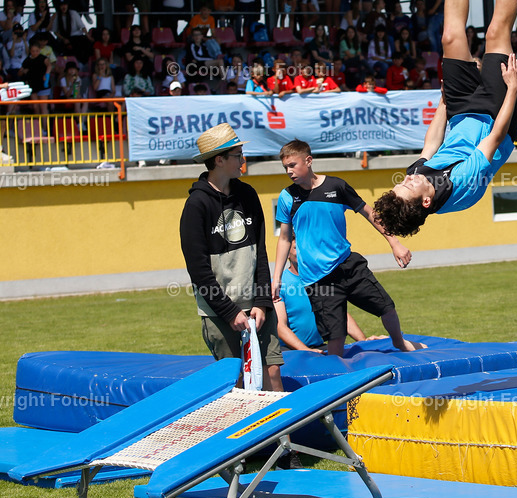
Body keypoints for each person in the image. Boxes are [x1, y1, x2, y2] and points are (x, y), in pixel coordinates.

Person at [372, 0, 517, 237]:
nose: (407, 179)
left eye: (401, 183)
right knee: (496, 34)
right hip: (496, 118)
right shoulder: (461, 186)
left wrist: (444, 104)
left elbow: (431, 143)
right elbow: (494, 138)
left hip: (461, 112)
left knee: (450, 38)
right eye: (408, 186)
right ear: (426, 202)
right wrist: (512, 89)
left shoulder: (417, 178)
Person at [272, 139, 421, 357]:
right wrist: (277, 277)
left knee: (386, 307)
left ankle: (400, 343)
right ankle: (338, 371)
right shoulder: (287, 197)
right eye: (285, 167)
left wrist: (394, 242)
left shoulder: (337, 187)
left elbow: (370, 213)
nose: (289, 171)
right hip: (318, 279)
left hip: (348, 266)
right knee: (336, 335)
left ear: (309, 160)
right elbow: (285, 238)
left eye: (293, 165)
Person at [180, 124, 282, 391]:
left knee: (272, 370)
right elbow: (198, 271)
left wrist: (262, 301)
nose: (243, 161)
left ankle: (284, 422)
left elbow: (260, 253)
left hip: (257, 306)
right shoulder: (196, 205)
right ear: (219, 160)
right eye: (238, 155)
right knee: (234, 381)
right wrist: (229, 312)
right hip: (219, 311)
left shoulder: (247, 194)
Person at [273, 239, 371, 352]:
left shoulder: (322, 280)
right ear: (287, 254)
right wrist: (305, 350)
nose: (301, 251)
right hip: (290, 351)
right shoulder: (279, 285)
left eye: (304, 247)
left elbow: (339, 314)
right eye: (296, 248)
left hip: (318, 347)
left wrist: (363, 341)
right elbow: (280, 326)